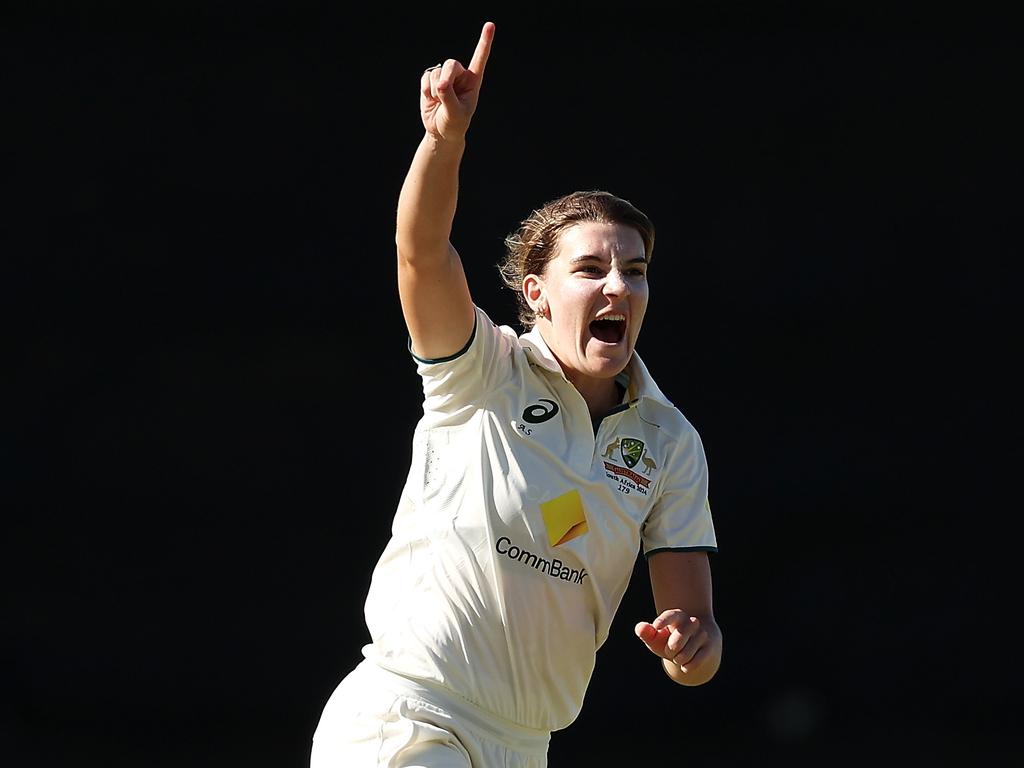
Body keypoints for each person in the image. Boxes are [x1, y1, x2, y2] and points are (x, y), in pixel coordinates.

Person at [310, 20, 721, 768]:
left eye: (634, 270)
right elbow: (420, 253)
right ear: (536, 293)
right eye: (591, 268)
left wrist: (689, 647)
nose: (618, 285)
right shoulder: (482, 371)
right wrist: (444, 142)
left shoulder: (670, 443)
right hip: (408, 719)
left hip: (526, 747)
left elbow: (696, 642)